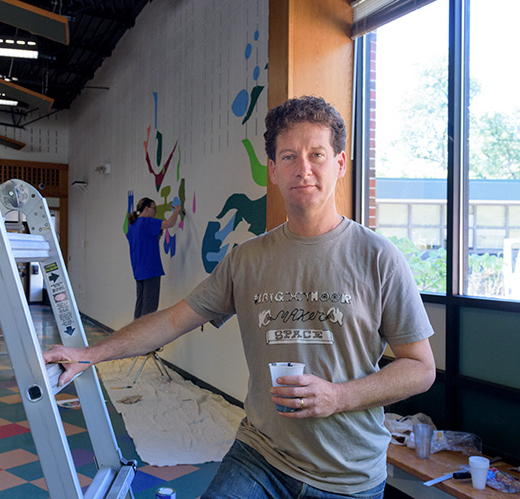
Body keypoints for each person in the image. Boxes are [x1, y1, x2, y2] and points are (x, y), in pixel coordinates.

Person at [44, 96, 436, 498]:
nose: (303, 168)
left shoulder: (378, 257)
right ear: (272, 170)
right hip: (262, 455)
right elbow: (173, 319)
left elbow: (420, 368)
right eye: (288, 157)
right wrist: (91, 354)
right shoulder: (246, 260)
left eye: (316, 154)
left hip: (348, 474)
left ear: (339, 163)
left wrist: (338, 396)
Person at [126, 197, 181, 319]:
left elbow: (139, 242)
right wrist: (176, 210)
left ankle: (135, 335)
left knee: (140, 308)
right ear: (146, 208)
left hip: (139, 271)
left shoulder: (132, 226)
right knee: (149, 310)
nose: (155, 211)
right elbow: (170, 223)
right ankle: (146, 337)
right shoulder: (148, 222)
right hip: (151, 270)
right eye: (154, 208)